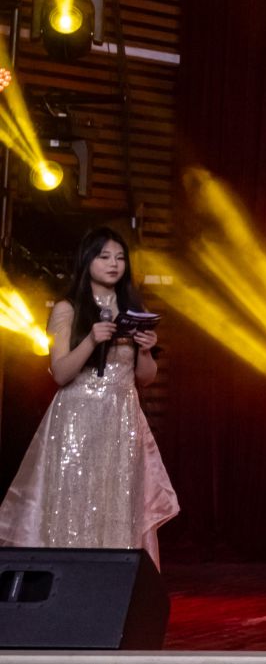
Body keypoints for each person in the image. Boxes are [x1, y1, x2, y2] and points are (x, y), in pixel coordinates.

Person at [0, 227, 178, 562]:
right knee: (74, 498)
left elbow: (146, 379)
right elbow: (61, 373)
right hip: (76, 420)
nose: (114, 264)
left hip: (122, 420)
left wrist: (144, 350)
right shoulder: (68, 309)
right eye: (104, 256)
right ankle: (71, 578)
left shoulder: (133, 308)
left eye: (120, 257)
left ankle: (115, 583)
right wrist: (92, 340)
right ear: (87, 260)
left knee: (119, 499)